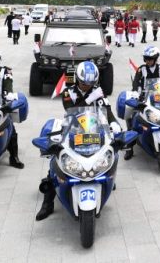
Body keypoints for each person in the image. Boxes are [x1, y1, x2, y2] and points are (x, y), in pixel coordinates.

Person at [35, 61, 121, 221]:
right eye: (84, 83)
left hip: (94, 130)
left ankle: (106, 181)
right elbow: (70, 110)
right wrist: (89, 99)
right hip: (73, 130)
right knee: (56, 161)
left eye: (91, 83)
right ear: (78, 80)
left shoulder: (98, 91)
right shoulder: (69, 92)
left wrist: (114, 123)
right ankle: (48, 203)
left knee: (110, 153)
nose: (87, 86)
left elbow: (107, 111)